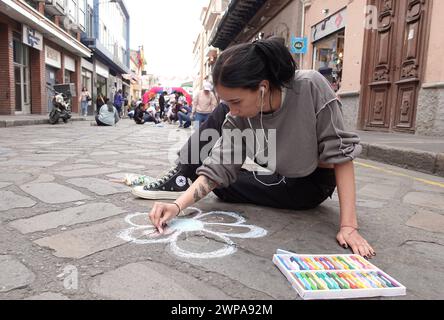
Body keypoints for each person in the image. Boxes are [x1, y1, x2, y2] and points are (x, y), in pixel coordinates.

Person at [137, 37, 375, 259]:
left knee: (225, 185)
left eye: (236, 101)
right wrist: (177, 206)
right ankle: (182, 176)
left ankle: (189, 178)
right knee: (221, 186)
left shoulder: (310, 86)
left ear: (262, 87)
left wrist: (348, 227)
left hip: (311, 182)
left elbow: (341, 156)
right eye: (227, 102)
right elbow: (218, 168)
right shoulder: (239, 116)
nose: (231, 110)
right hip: (278, 170)